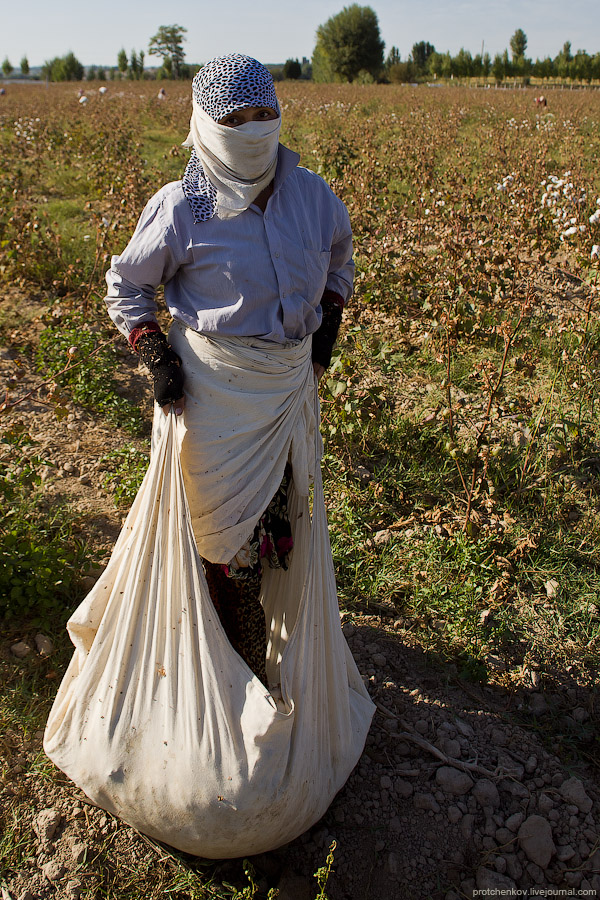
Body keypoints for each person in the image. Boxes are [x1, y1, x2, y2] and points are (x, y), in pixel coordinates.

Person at [104, 53, 353, 686]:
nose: (254, 128)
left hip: (286, 392)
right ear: (208, 125)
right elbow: (125, 285)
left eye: (265, 113)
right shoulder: (181, 207)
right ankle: (220, 675)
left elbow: (340, 255)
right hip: (210, 397)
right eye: (236, 117)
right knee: (216, 539)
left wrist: (328, 323)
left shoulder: (312, 195)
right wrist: (155, 353)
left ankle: (266, 660)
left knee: (278, 523)